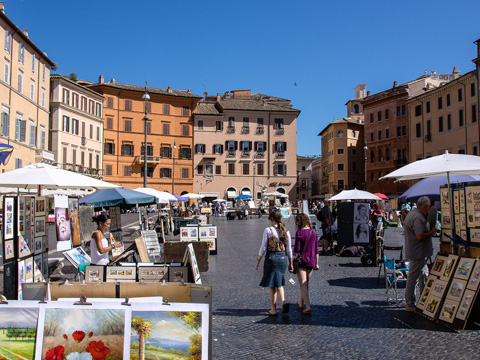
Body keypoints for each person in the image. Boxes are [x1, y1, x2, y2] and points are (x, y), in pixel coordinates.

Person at [255, 209, 293, 316]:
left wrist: (258, 260)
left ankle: (273, 309)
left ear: (272, 219)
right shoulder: (286, 231)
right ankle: (283, 303)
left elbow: (263, 247)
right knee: (279, 282)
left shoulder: (268, 230)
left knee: (272, 284)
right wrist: (290, 263)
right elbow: (289, 249)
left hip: (271, 258)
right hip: (283, 258)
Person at [404, 196, 437, 311]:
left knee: (423, 275)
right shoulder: (418, 217)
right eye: (428, 206)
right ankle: (410, 303)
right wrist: (431, 232)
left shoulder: (412, 214)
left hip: (416, 250)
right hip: (417, 251)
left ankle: (423, 300)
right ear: (425, 206)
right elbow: (419, 236)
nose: (429, 209)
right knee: (413, 277)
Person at [294, 213, 319, 314]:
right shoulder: (314, 233)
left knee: (303, 284)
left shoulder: (299, 233)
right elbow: (316, 250)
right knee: (305, 283)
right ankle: (301, 302)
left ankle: (308, 306)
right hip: (312, 261)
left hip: (302, 261)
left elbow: (297, 249)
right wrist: (317, 263)